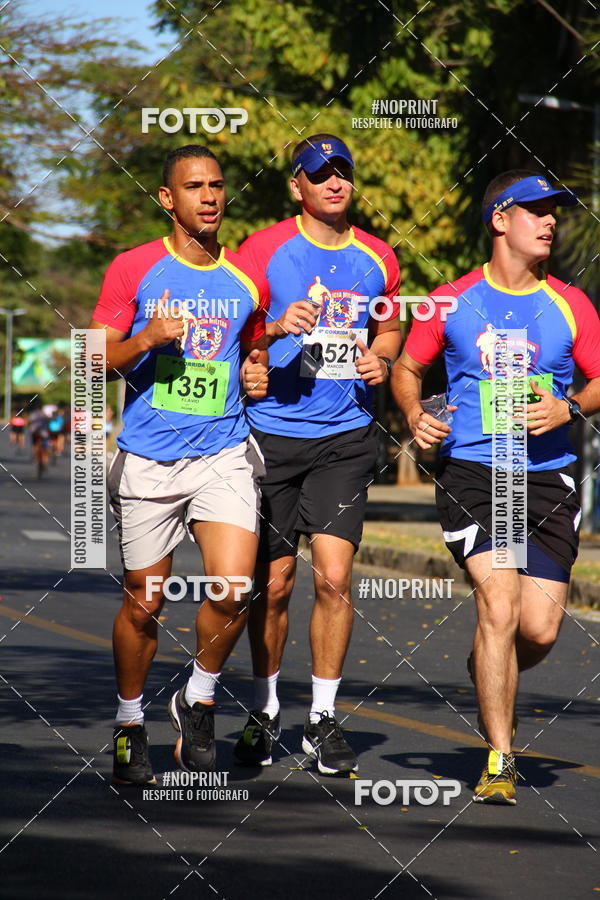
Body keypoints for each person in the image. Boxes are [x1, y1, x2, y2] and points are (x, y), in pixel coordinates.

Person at [392, 170, 600, 804]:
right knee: (500, 607)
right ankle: (499, 761)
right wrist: (412, 413)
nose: (550, 221)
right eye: (536, 210)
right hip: (474, 473)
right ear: (500, 219)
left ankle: (492, 664)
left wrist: (569, 408)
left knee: (537, 629)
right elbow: (406, 366)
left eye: (554, 213)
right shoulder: (450, 299)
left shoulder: (571, 302)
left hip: (546, 478)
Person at [88, 144, 270, 784]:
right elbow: (93, 359)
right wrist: (146, 340)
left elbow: (254, 343)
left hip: (222, 450)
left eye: (217, 185)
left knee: (233, 586)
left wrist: (256, 369)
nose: (210, 196)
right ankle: (130, 720)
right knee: (145, 603)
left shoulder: (247, 276)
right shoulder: (133, 268)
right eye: (194, 186)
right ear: (169, 199)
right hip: (148, 457)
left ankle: (197, 695)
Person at [233, 134, 401, 775]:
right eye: (319, 174)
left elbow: (389, 325)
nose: (334, 183)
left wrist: (380, 359)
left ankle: (323, 719)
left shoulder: (378, 257)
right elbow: (236, 324)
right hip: (272, 432)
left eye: (342, 173)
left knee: (334, 577)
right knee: (271, 587)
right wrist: (261, 347)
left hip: (346, 438)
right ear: (296, 186)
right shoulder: (262, 250)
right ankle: (265, 707)